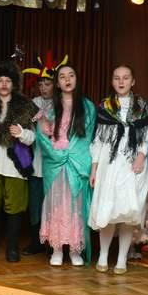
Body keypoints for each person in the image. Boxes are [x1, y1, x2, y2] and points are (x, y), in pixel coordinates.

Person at [89, 65, 148, 274]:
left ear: (133, 81)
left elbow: (146, 137)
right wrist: (94, 169)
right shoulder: (105, 106)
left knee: (127, 213)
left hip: (132, 164)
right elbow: (98, 140)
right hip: (109, 164)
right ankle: (103, 255)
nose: (121, 82)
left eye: (126, 78)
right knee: (107, 211)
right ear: (112, 81)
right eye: (117, 78)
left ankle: (121, 259)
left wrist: (141, 158)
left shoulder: (141, 105)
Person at [36, 65, 96, 267]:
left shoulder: (87, 107)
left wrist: (71, 154)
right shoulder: (49, 108)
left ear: (76, 79)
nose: (67, 80)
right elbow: (41, 136)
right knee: (56, 204)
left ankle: (75, 249)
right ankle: (57, 248)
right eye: (62, 77)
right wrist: (57, 153)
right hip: (55, 163)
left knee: (76, 206)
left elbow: (88, 137)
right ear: (57, 83)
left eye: (71, 75)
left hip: (77, 162)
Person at [0, 61, 38, 262]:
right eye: (0, 81)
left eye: (8, 81)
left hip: (16, 165)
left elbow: (33, 137)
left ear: (14, 84)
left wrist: (21, 133)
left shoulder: (26, 106)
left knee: (15, 206)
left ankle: (12, 247)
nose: (4, 84)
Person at [21, 55, 56, 256]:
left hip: (55, 163)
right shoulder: (33, 103)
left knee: (52, 203)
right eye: (41, 84)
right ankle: (35, 241)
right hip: (35, 162)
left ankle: (52, 242)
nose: (44, 88)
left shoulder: (61, 104)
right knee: (35, 204)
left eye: (48, 84)